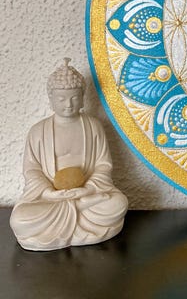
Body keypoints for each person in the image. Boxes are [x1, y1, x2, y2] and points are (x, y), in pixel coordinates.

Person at [10, 58, 128, 251]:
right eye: (61, 99)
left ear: (82, 97)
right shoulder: (38, 131)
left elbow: (103, 165)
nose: (68, 104)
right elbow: (32, 170)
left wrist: (88, 189)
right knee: (19, 219)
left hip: (88, 192)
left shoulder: (94, 126)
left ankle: (76, 211)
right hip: (52, 198)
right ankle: (79, 209)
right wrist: (47, 192)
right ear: (51, 99)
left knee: (118, 203)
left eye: (74, 98)